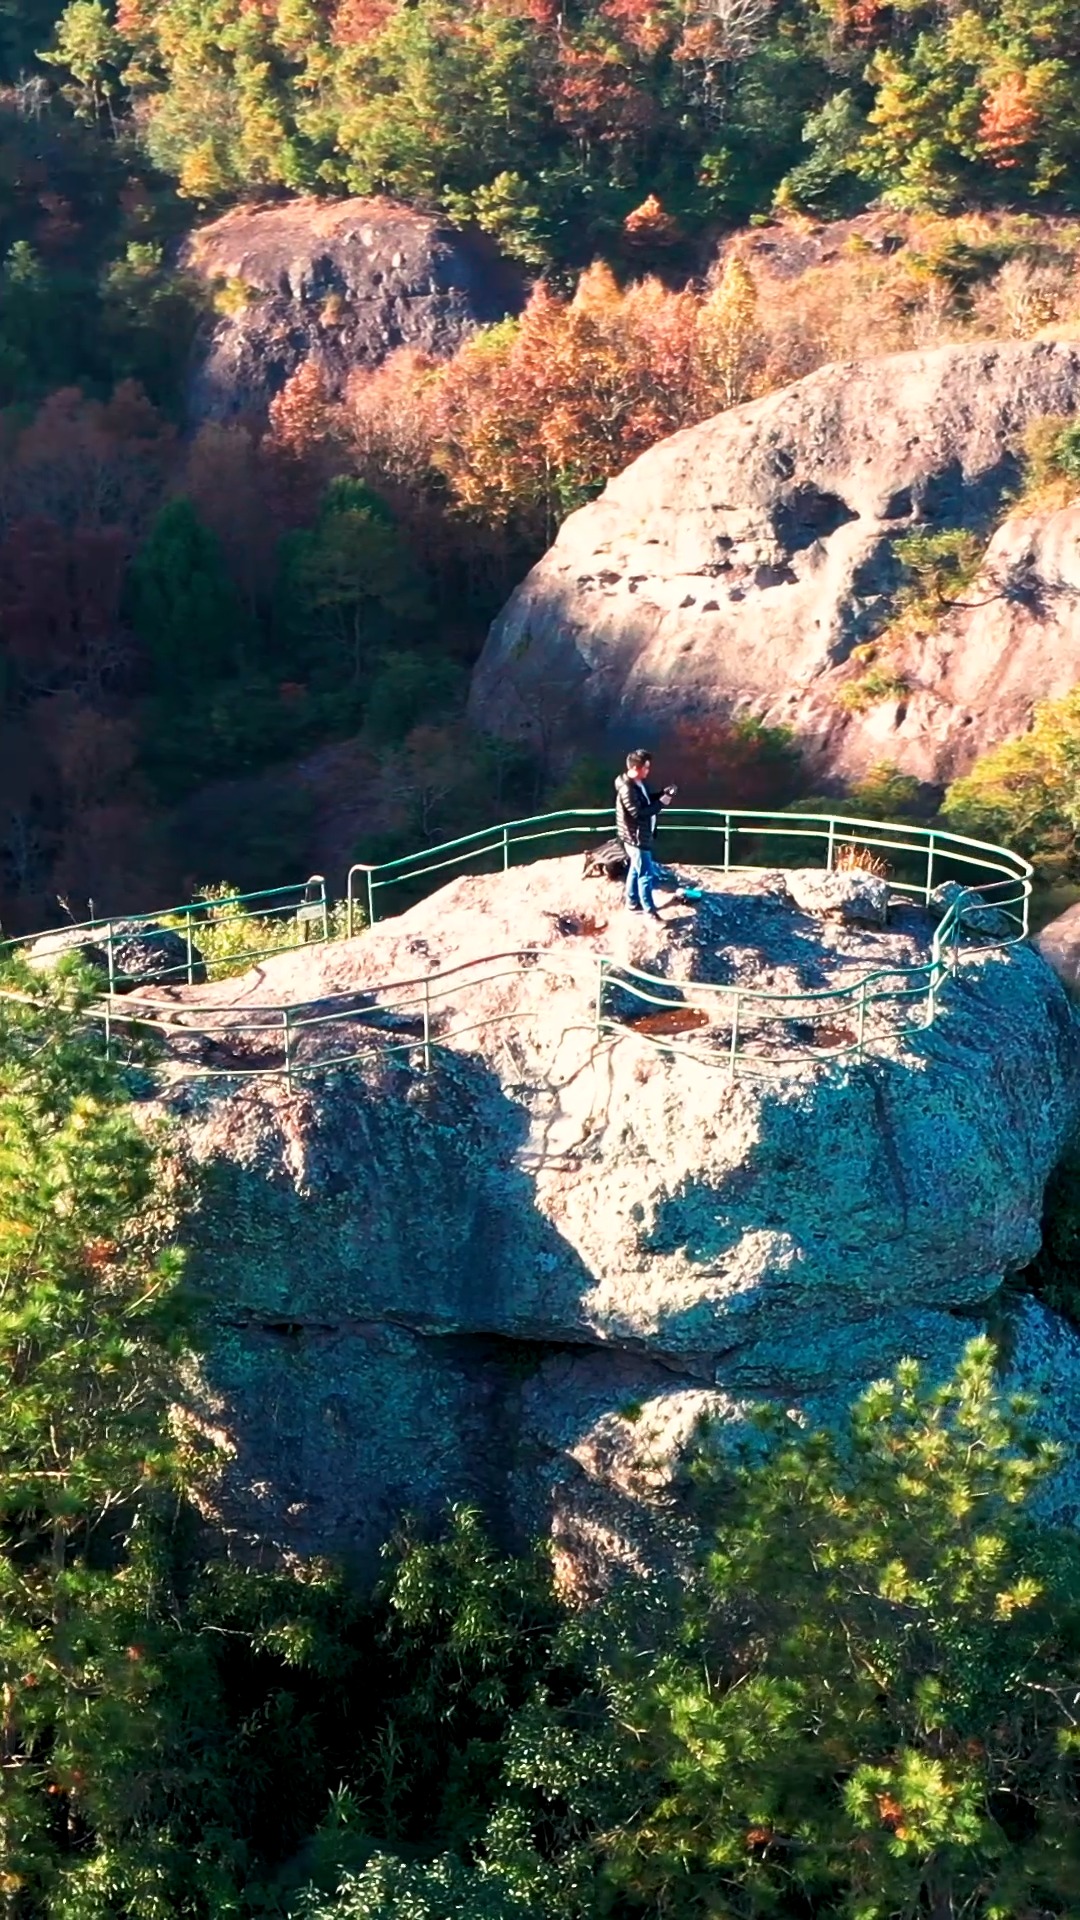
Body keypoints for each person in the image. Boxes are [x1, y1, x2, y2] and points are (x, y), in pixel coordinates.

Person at [614, 749, 677, 917]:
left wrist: (662, 794)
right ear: (635, 767)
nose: (648, 771)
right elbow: (639, 813)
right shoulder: (627, 789)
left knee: (636, 869)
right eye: (646, 767)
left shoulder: (638, 784)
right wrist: (662, 803)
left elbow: (646, 800)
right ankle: (649, 912)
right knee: (646, 875)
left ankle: (632, 903)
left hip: (639, 836)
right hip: (636, 839)